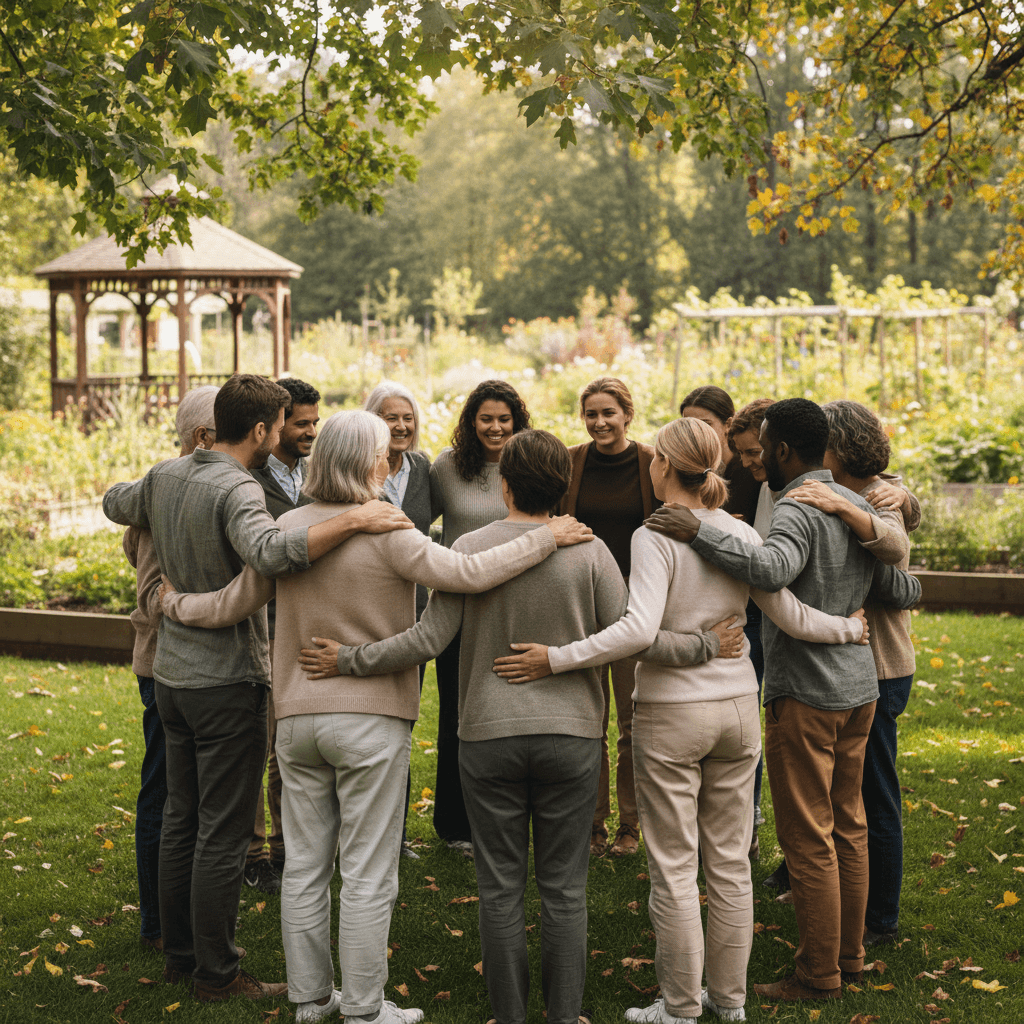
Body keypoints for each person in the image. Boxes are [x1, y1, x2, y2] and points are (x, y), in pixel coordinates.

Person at [157, 412, 595, 1024]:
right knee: (366, 871)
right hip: (371, 720)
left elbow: (235, 602)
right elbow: (467, 573)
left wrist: (175, 604)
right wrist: (547, 537)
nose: (391, 463)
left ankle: (310, 1000)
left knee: (304, 867)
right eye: (385, 454)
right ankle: (364, 1008)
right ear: (371, 464)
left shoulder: (289, 529)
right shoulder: (389, 527)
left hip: (298, 719)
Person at [297, 429, 732, 1024]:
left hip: (487, 739)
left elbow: (426, 640)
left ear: (504, 484)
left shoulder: (471, 549)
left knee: (500, 888)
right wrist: (705, 644)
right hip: (572, 739)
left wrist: (350, 659)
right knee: (565, 888)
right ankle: (564, 1016)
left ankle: (508, 1016)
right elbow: (637, 637)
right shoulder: (590, 550)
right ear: (564, 487)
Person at [491, 418, 878, 1024]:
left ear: (666, 465)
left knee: (674, 869)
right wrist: (848, 629)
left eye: (655, 459)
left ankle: (678, 1008)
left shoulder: (655, 535)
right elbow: (790, 613)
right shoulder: (741, 532)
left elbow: (638, 631)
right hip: (738, 710)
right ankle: (729, 1002)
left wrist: (556, 658)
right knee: (730, 865)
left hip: (673, 714)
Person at [102, 373, 413, 1003]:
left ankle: (179, 954)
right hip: (225, 678)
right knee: (222, 831)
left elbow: (114, 502)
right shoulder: (240, 488)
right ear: (263, 429)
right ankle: (216, 974)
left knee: (181, 818)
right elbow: (270, 554)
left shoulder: (165, 474)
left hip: (170, 676)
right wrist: (354, 518)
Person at [645, 398, 922, 1004]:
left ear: (784, 450)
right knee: (849, 825)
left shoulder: (798, 505)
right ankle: (850, 957)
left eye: (764, 446)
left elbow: (771, 570)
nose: (757, 457)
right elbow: (902, 586)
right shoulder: (850, 504)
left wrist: (698, 531)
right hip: (860, 689)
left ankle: (818, 973)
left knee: (809, 836)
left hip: (808, 692)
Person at [786, 401, 918, 948]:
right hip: (852, 660)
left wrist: (855, 507)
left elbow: (894, 553)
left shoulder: (880, 495)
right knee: (842, 791)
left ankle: (879, 918)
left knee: (872, 795)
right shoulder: (840, 491)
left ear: (838, 448)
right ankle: (826, 892)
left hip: (879, 663)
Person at [121, 384, 219, 951]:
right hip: (165, 663)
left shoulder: (167, 487)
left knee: (184, 794)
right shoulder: (170, 490)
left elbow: (130, 549)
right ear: (203, 437)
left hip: (173, 662)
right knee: (165, 793)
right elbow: (147, 576)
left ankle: (176, 916)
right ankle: (159, 924)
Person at [427, 379, 532, 857]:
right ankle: (454, 824)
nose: (495, 428)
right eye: (485, 419)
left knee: (510, 714)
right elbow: (416, 523)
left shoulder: (527, 464)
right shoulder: (447, 467)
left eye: (503, 419)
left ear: (517, 422)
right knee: (456, 713)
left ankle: (506, 817)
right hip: (458, 607)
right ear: (471, 422)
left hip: (515, 605)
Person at [559, 377, 659, 857]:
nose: (599, 422)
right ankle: (593, 823)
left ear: (627, 415)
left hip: (633, 608)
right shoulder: (570, 463)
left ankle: (630, 826)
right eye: (591, 414)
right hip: (582, 605)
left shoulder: (651, 464)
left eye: (608, 413)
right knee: (588, 722)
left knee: (632, 724)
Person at [244, 376, 321, 895]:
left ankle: (287, 850)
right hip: (263, 627)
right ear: (275, 425)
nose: (311, 432)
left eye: (315, 423)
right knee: (260, 744)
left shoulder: (315, 476)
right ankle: (253, 854)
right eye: (300, 423)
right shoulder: (249, 481)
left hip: (306, 628)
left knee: (291, 749)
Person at [365, 381, 433, 860]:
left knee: (401, 727)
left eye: (407, 417)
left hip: (415, 615)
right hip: (366, 610)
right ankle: (354, 832)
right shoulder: (355, 474)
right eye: (391, 418)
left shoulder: (424, 470)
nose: (402, 426)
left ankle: (394, 834)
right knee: (363, 725)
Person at [679, 386, 760, 525]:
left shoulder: (751, 468)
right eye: (688, 426)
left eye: (705, 424)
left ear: (728, 424)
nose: (695, 433)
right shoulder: (683, 472)